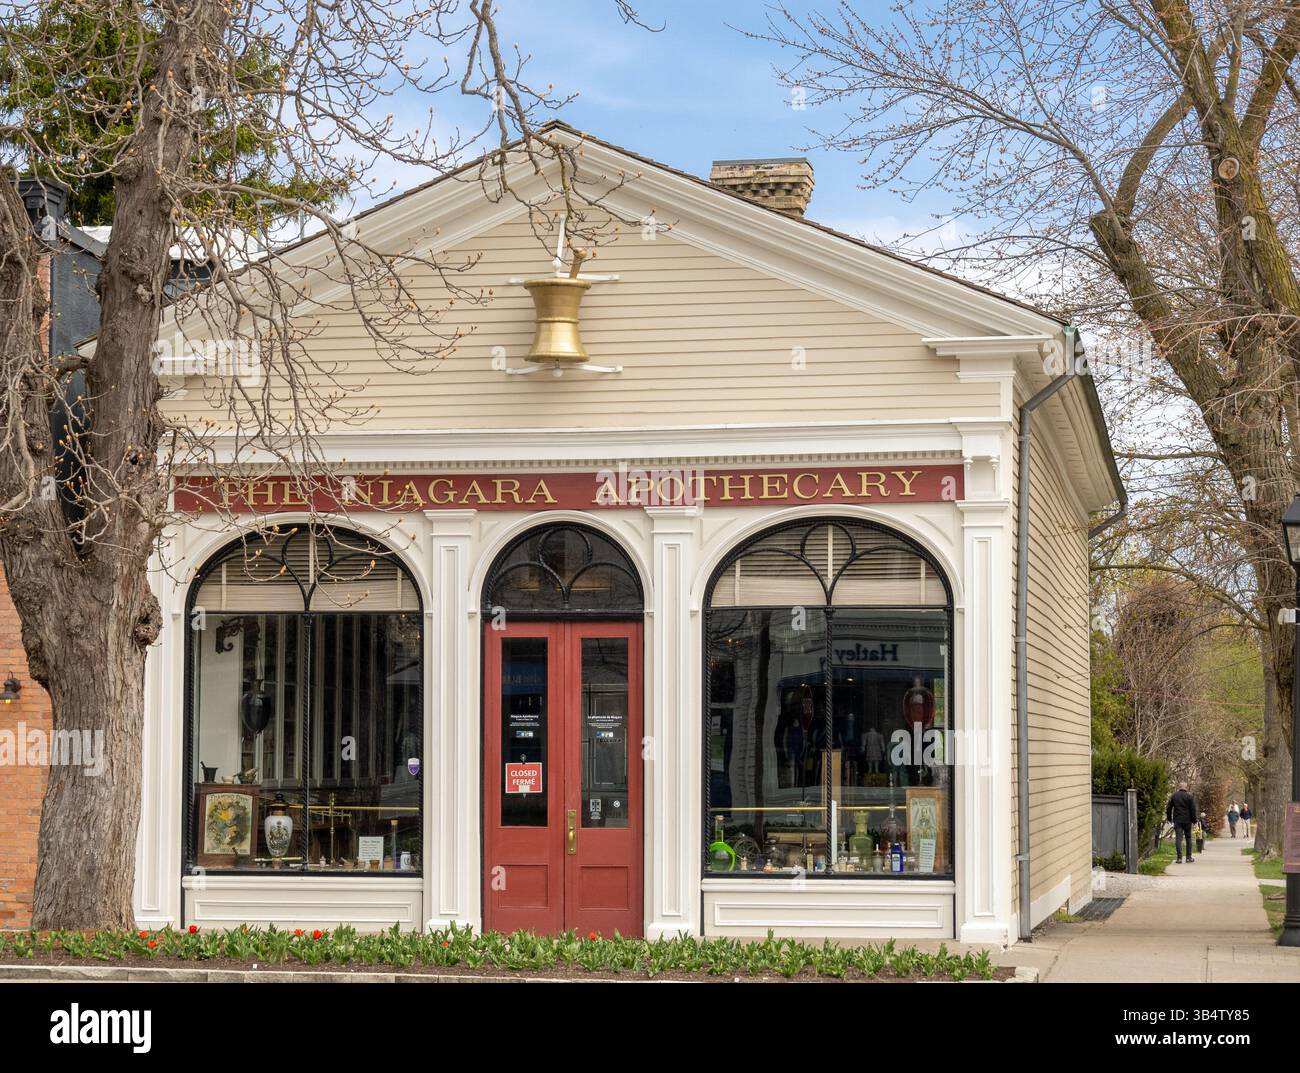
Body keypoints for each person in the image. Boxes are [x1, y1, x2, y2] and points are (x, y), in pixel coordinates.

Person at [1166, 782, 1198, 863]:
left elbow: (1169, 807)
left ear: (1179, 787)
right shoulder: (1189, 796)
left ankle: (1179, 858)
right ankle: (1188, 857)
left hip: (1177, 820)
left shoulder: (1174, 796)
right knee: (1188, 838)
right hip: (1187, 821)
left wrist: (1169, 818)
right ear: (1186, 787)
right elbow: (1193, 809)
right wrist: (1194, 820)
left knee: (1178, 839)